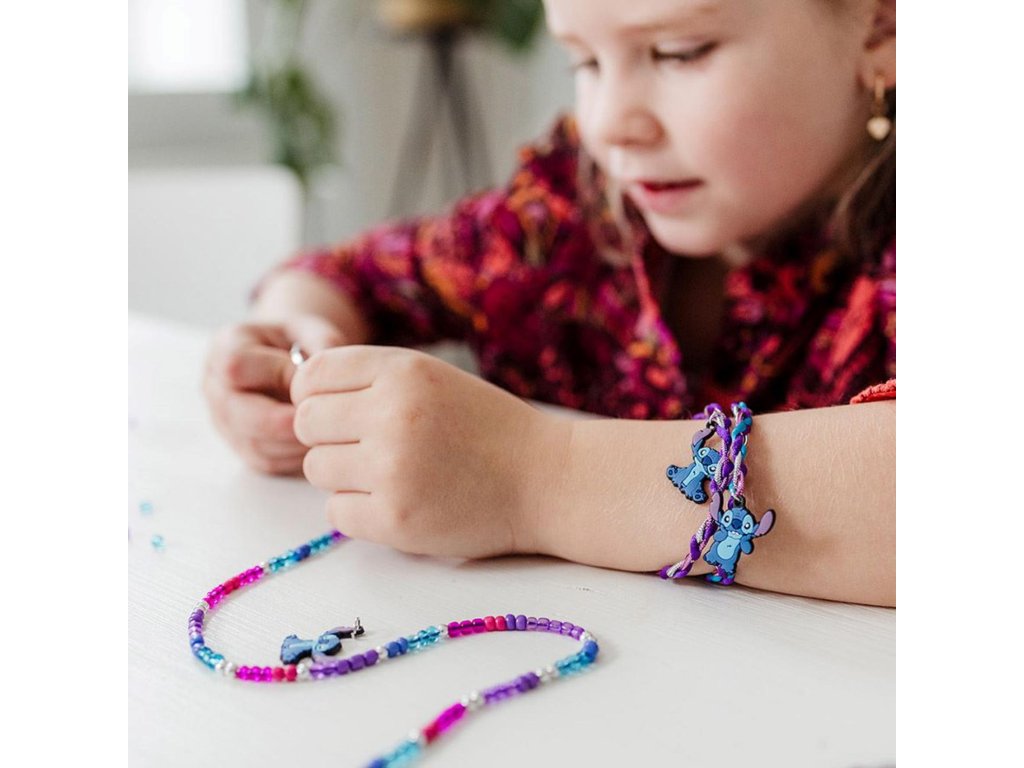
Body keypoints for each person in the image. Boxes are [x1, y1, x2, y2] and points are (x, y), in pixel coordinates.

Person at [203, 0, 896, 607]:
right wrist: (291, 331)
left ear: (880, 25)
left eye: (678, 52)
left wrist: (533, 474)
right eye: (585, 62)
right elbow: (346, 274)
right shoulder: (564, 213)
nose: (610, 123)